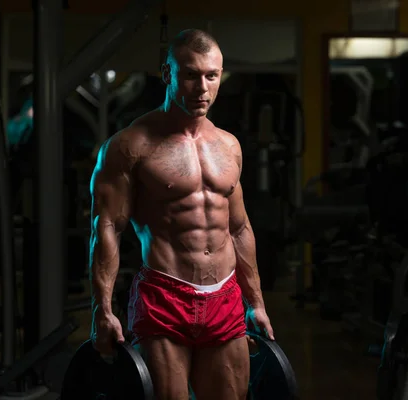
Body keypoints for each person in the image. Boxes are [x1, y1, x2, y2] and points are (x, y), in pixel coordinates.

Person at [89, 28, 274, 400]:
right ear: (168, 74)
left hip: (225, 297)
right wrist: (103, 308)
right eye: (190, 75)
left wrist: (256, 304)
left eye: (212, 75)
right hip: (164, 296)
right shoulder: (130, 145)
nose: (202, 88)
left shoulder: (229, 146)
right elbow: (107, 226)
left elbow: (238, 228)